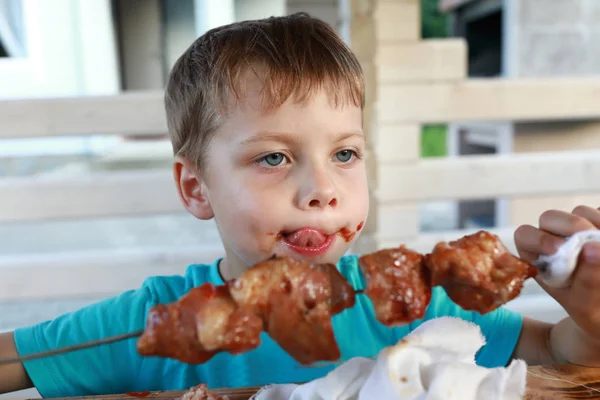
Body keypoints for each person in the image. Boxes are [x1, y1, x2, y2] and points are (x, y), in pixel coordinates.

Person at [1, 12, 600, 397]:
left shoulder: (423, 305)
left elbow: (554, 351)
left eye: (344, 154)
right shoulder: (151, 323)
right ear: (194, 188)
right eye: (273, 158)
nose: (323, 189)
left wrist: (591, 319)